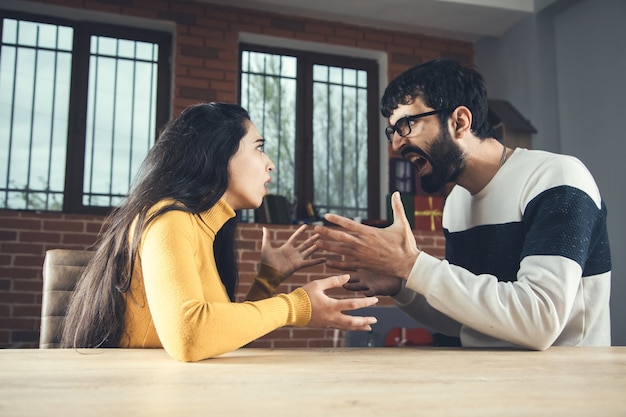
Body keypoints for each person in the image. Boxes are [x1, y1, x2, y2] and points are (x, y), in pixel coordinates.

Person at [314, 59, 611, 350]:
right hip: (487, 381)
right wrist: (401, 283)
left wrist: (412, 264)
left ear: (459, 122)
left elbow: (539, 321)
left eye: (406, 125)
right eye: (392, 131)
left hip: (567, 385)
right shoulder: (457, 202)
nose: (396, 145)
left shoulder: (555, 178)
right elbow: (469, 318)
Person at [60, 102, 378, 362]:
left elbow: (219, 340)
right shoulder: (169, 219)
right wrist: (295, 306)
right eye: (258, 148)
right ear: (219, 153)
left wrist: (269, 277)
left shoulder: (202, 227)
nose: (270, 164)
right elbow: (190, 336)